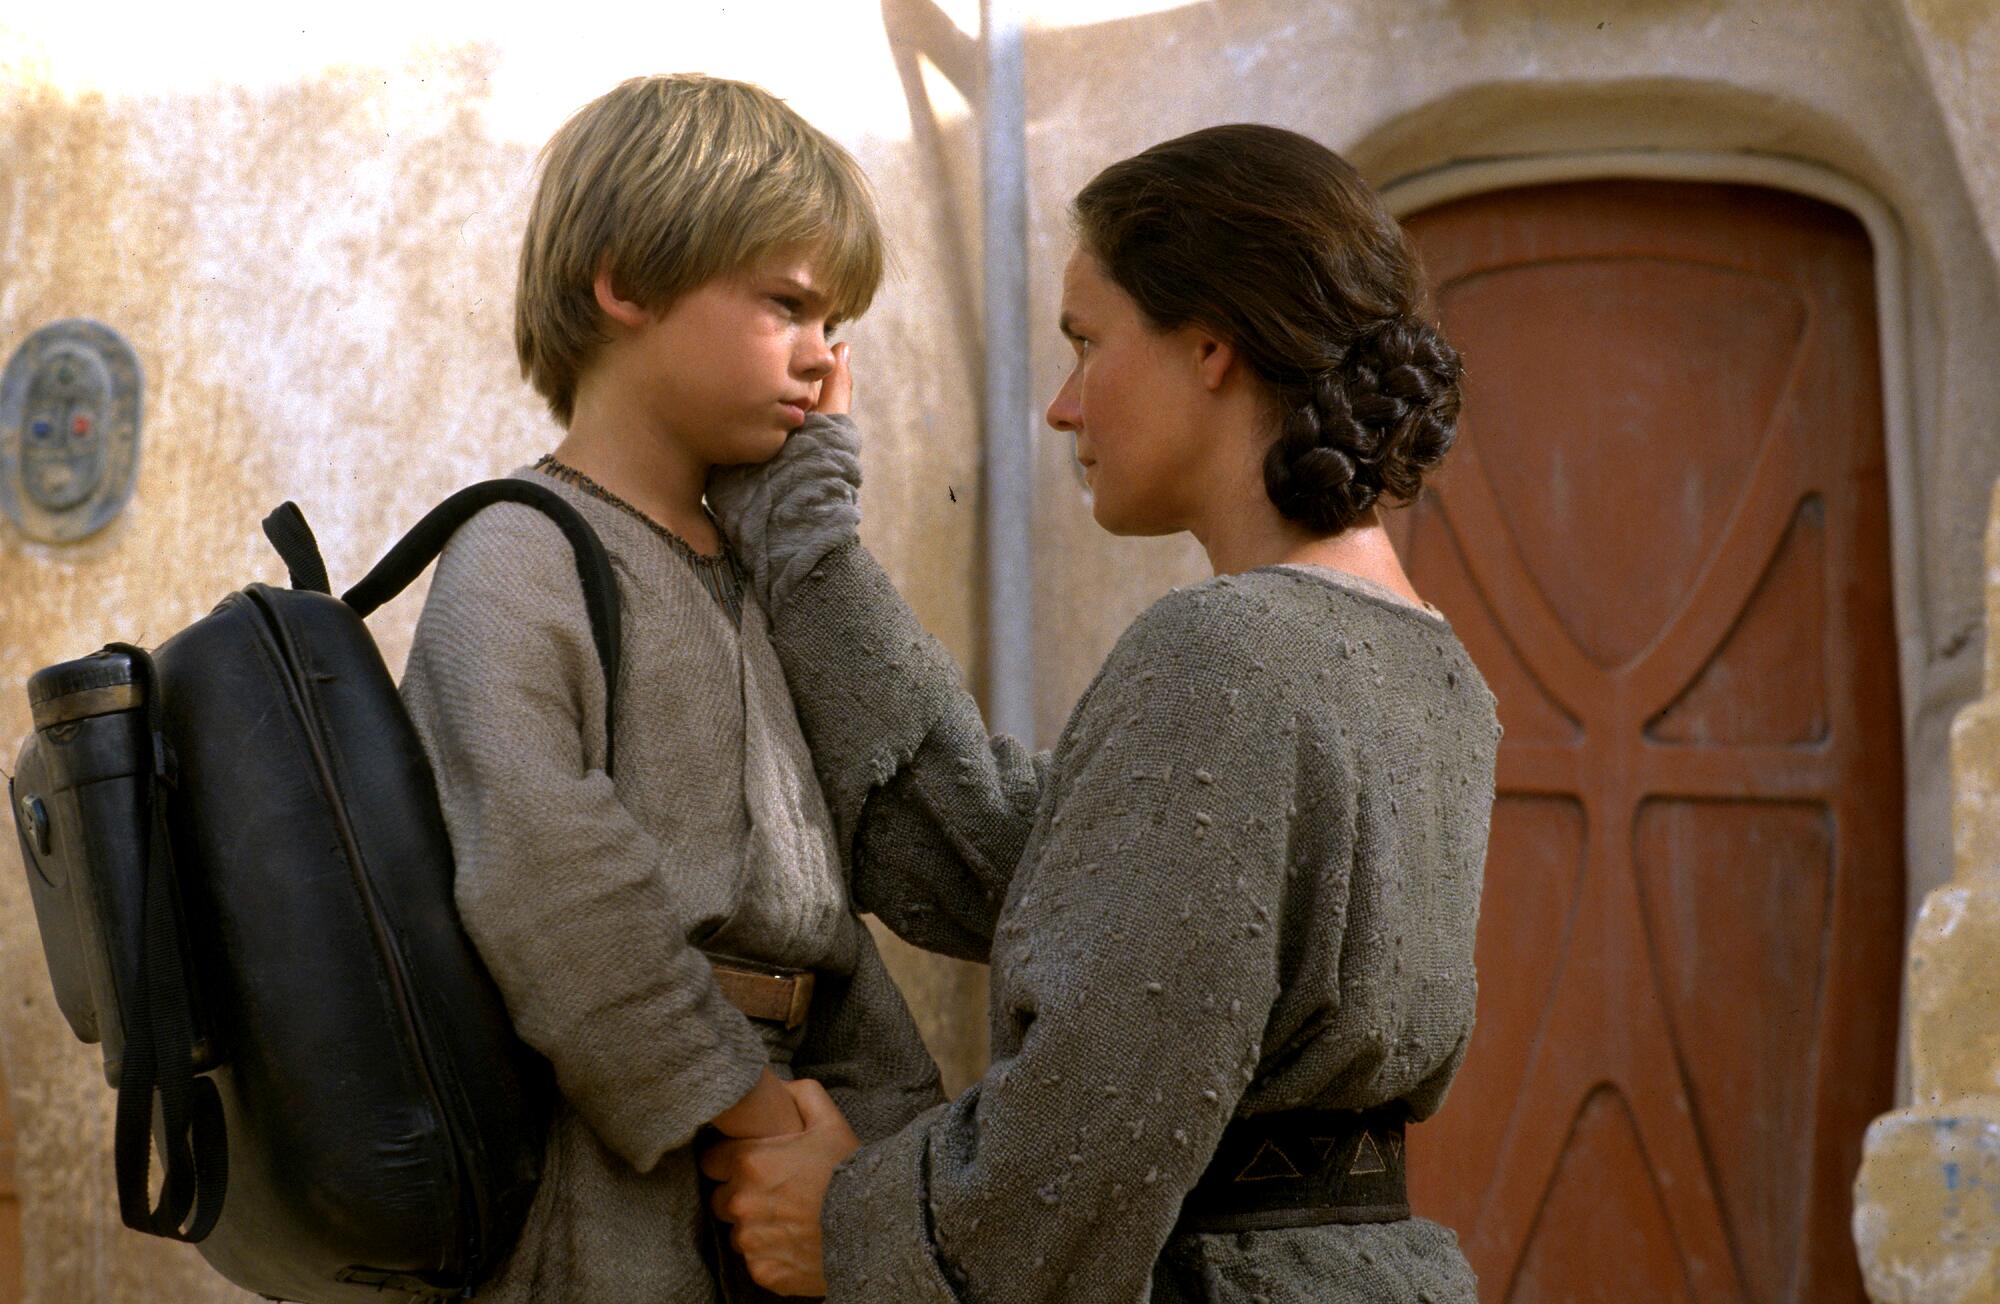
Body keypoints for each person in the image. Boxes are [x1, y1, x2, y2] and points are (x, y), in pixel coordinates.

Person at [699, 123, 1501, 1301]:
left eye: (1086, 344)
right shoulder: (1433, 669)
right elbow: (1033, 868)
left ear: (1210, 345)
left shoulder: (1226, 652)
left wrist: (846, 1220)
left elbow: (1099, 1110)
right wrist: (810, 535)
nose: (1064, 408)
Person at [398, 74, 943, 1302]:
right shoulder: (521, 555)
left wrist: (869, 1148)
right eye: (787, 303)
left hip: (788, 1156)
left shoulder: (751, 575)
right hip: (611, 1179)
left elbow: (819, 908)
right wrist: (749, 1115)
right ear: (626, 281)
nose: (823, 356)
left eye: (837, 321)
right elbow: (552, 882)